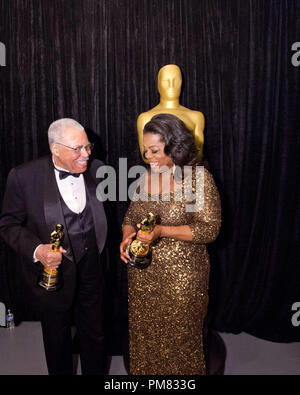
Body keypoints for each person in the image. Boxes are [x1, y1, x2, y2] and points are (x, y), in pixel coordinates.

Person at [0, 118, 108, 375]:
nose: (87, 154)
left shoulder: (98, 169)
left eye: (88, 146)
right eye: (78, 149)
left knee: (95, 333)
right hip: (53, 275)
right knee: (57, 339)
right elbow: (8, 224)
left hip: (93, 266)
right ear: (55, 148)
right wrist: (38, 250)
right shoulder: (24, 176)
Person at [120, 113, 221, 375]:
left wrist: (162, 231)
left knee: (180, 341)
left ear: (174, 146)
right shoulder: (146, 177)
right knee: (145, 339)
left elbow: (210, 229)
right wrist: (126, 236)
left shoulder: (197, 179)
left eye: (155, 150)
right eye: (145, 151)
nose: (148, 157)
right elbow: (131, 216)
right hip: (142, 276)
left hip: (183, 277)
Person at [137, 64, 205, 159]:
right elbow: (146, 157)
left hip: (190, 172)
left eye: (176, 80)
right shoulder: (145, 118)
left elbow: (198, 154)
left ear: (181, 83)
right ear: (158, 84)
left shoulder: (196, 117)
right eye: (166, 81)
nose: (171, 85)